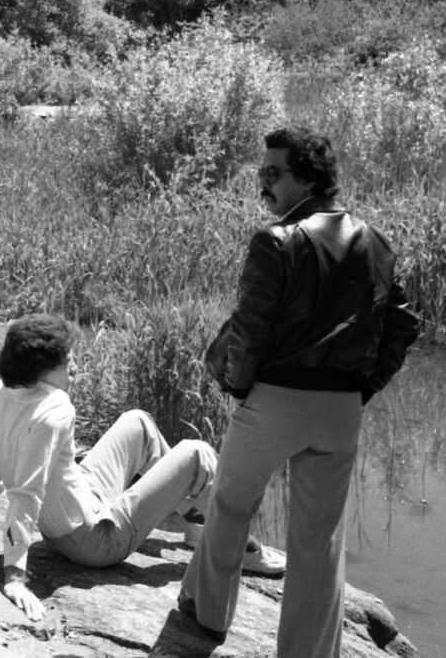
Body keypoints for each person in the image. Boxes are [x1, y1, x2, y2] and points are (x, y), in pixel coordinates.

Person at [179, 126, 421, 657]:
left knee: (231, 502)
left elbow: (250, 326)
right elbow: (404, 326)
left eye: (273, 173)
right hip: (340, 411)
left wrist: (240, 388)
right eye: (260, 173)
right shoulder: (375, 241)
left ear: (308, 175)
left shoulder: (276, 241)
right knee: (320, 540)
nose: (262, 185)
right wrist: (360, 390)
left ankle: (207, 613)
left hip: (276, 399)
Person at [0, 314, 283, 622]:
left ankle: (196, 519)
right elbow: (24, 495)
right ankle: (237, 543)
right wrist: (15, 577)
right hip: (92, 542)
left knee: (139, 424)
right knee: (196, 453)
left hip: (82, 502)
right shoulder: (55, 410)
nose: (74, 369)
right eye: (68, 363)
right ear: (43, 369)